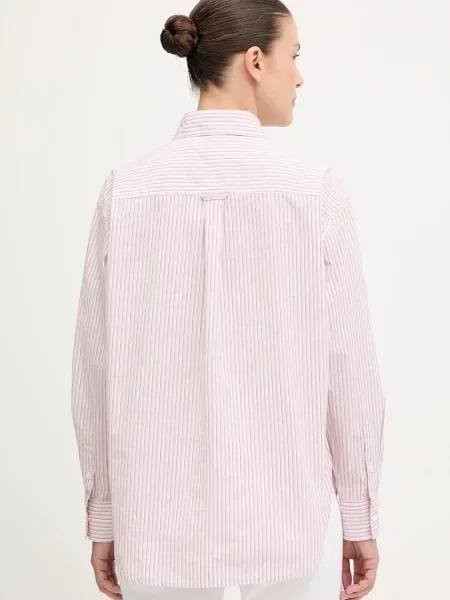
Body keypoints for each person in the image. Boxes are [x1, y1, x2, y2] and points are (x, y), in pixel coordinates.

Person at [71, 0, 386, 599]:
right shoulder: (314, 193)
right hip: (290, 525)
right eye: (295, 56)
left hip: (156, 527)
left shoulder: (126, 192)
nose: (300, 76)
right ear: (256, 61)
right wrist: (358, 514)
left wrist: (105, 517)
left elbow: (94, 373)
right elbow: (349, 371)